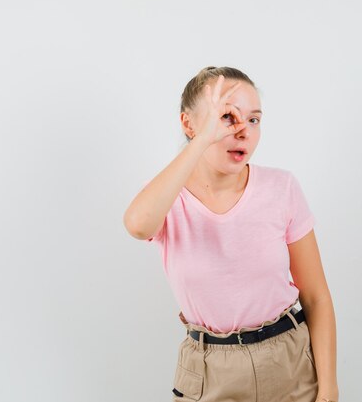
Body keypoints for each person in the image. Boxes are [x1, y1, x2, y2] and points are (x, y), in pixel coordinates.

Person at [123, 66, 339, 402]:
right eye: (226, 117)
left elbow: (315, 297)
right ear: (189, 124)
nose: (243, 131)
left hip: (291, 363)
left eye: (254, 120)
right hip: (210, 372)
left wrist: (328, 390)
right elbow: (137, 225)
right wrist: (202, 140)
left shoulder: (281, 188)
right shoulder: (168, 197)